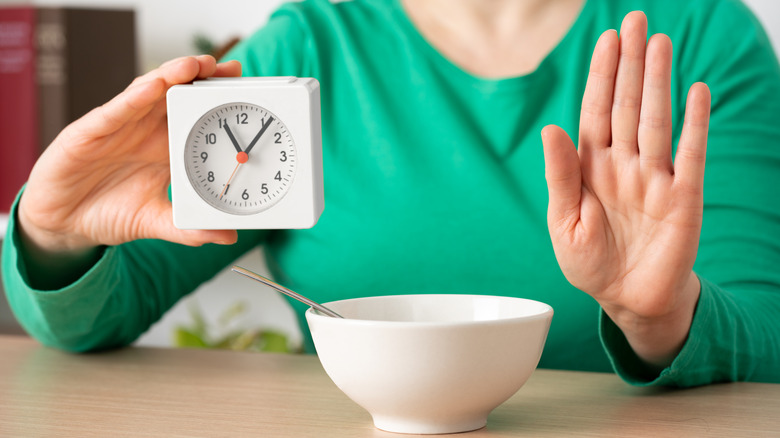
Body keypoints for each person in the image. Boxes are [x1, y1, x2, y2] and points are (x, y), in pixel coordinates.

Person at [2, 0, 779, 387]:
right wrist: (54, 229)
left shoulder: (702, 34)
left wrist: (661, 315)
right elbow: (93, 322)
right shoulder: (310, 44)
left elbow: (767, 344)